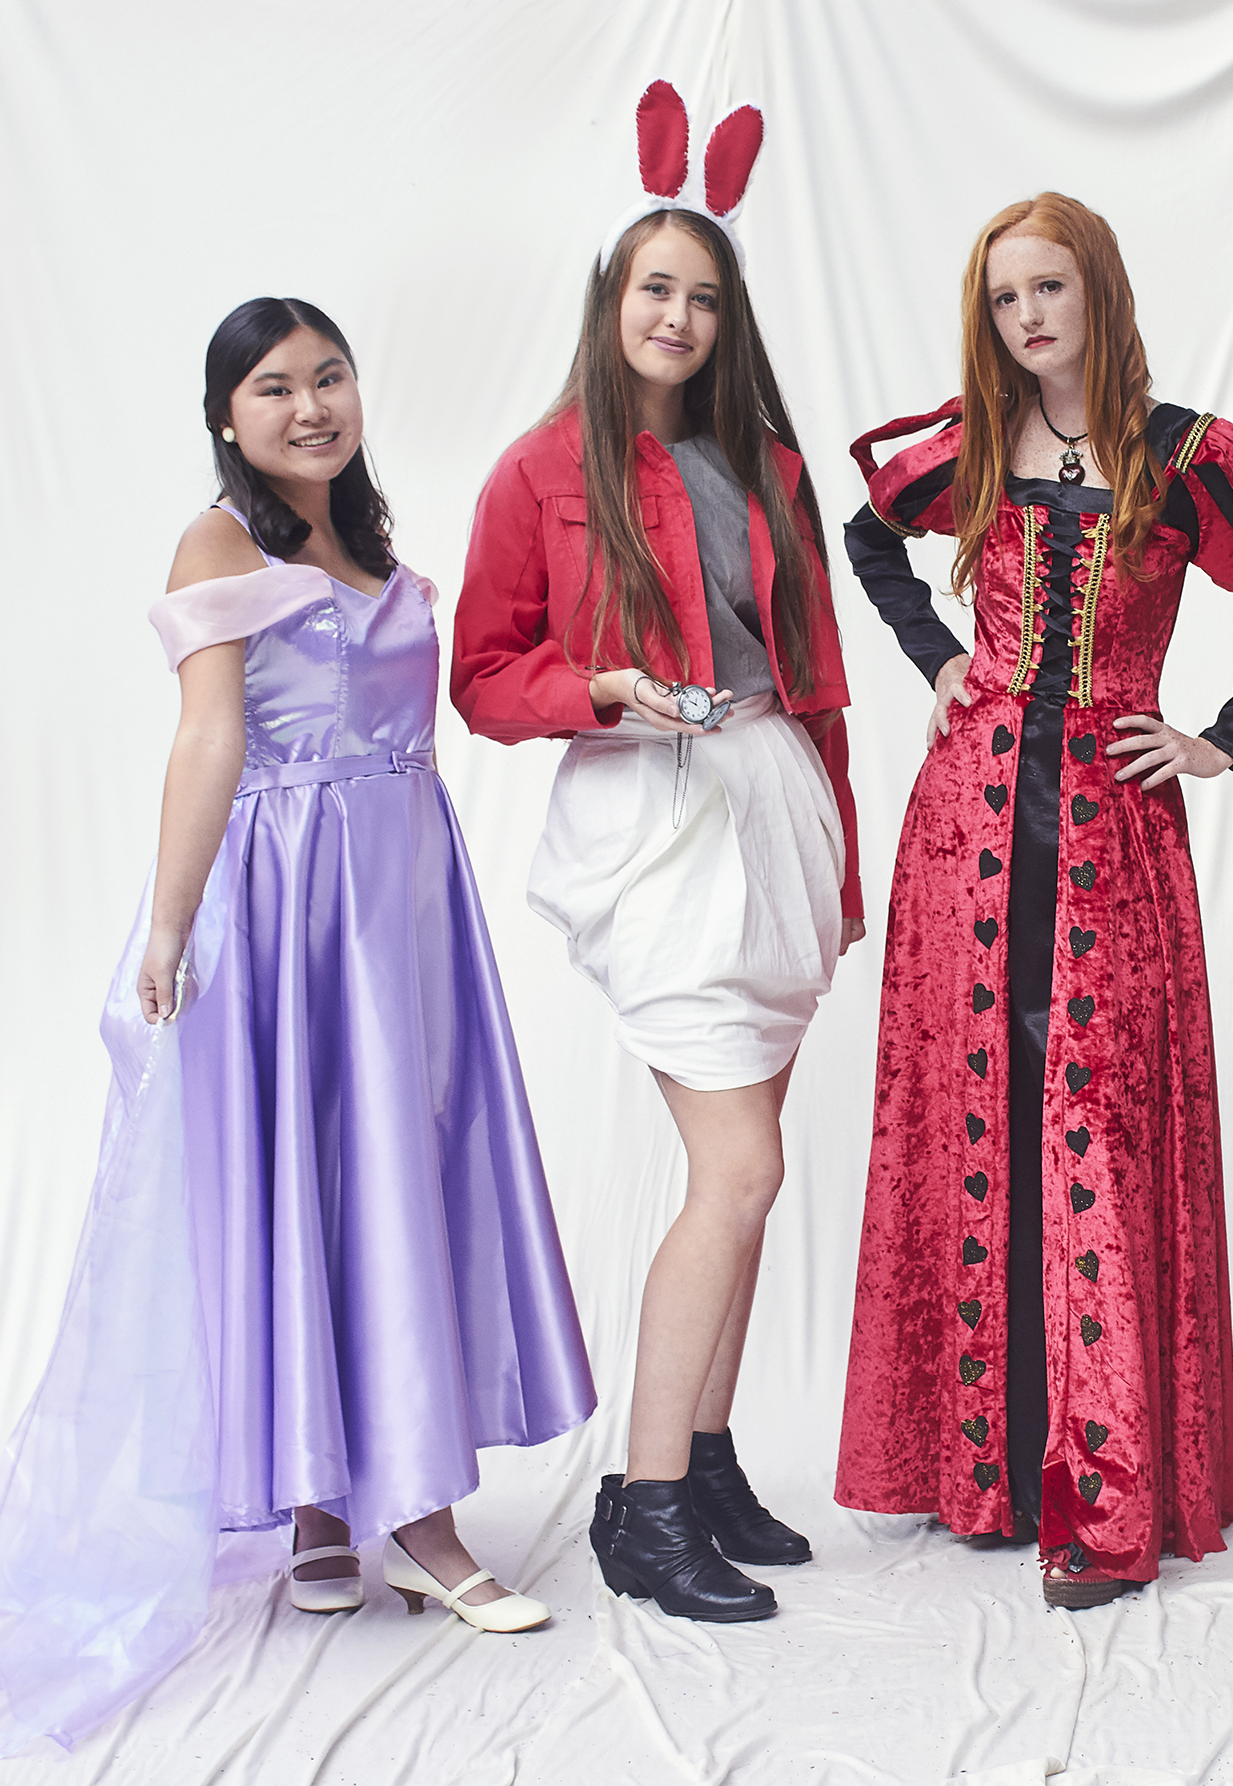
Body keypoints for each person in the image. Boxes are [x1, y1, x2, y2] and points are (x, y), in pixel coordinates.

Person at [0, 298, 595, 1761]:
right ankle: (335, 1502)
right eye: (274, 387)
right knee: (304, 1190)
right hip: (288, 918)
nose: (310, 406)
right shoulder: (220, 547)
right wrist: (165, 929)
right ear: (228, 417)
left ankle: (403, 1507)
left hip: (405, 914)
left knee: (395, 1187)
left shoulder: (383, 552)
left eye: (330, 377)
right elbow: (208, 737)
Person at [833, 192, 1233, 1608]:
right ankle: (986, 1465)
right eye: (1003, 298)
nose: (1026, 318)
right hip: (973, 832)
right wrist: (936, 656)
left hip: (1113, 825)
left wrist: (1216, 739)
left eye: (1048, 288)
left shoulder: (1189, 458)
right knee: (982, 1106)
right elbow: (868, 541)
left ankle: (1106, 1490)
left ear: (1099, 291)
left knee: (1093, 1119)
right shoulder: (972, 444)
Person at [450, 83, 862, 1626]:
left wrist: (841, 861)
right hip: (652, 816)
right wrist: (598, 688)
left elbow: (810, 672)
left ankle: (703, 1452)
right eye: (654, 289)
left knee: (755, 1172)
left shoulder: (766, 461)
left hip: (768, 803)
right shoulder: (541, 468)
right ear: (611, 300)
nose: (678, 315)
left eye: (701, 294)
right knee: (736, 1167)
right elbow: (483, 674)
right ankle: (642, 1499)